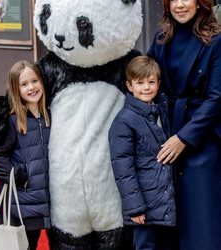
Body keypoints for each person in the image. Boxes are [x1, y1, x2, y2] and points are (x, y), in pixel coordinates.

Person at [147, 0, 221, 249]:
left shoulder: (216, 40)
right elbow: (144, 77)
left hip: (202, 139)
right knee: (167, 222)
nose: (179, 5)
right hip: (165, 131)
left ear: (200, 3)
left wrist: (183, 138)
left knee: (200, 222)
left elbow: (217, 97)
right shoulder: (161, 37)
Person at [108, 55, 176, 250]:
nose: (146, 87)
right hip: (142, 208)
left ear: (158, 83)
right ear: (129, 86)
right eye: (140, 83)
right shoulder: (124, 121)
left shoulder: (159, 112)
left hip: (163, 203)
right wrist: (135, 207)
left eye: (151, 82)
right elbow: (123, 168)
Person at [0, 60, 51, 250]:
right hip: (23, 201)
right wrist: (19, 176)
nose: (31, 87)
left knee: (36, 243)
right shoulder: (13, 121)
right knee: (26, 245)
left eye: (35, 81)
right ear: (16, 89)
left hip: (45, 200)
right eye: (24, 84)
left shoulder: (49, 116)